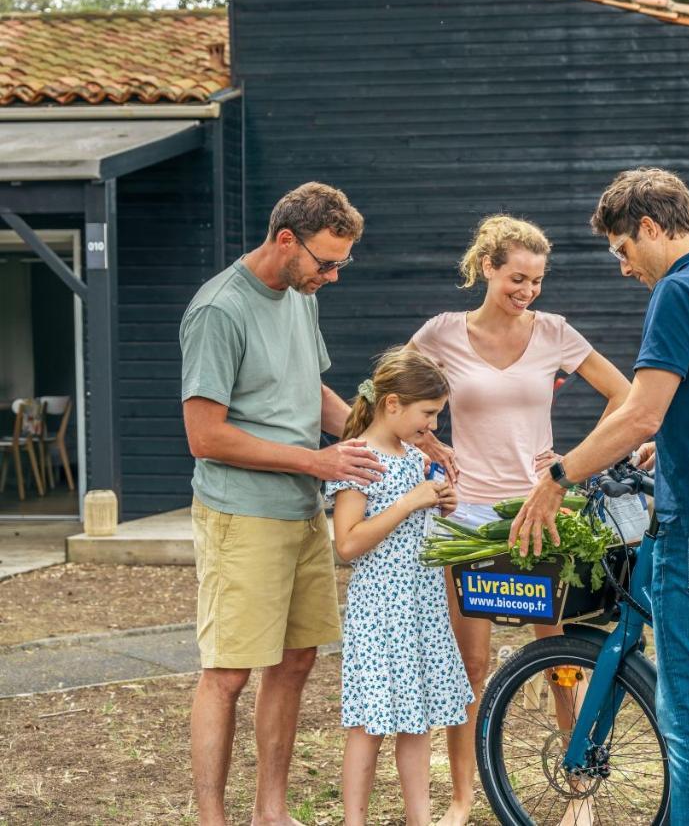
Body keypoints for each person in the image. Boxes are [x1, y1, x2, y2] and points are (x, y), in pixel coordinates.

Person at [510, 168, 689, 825]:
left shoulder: (680, 291)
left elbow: (639, 411)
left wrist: (558, 475)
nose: (623, 267)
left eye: (621, 249)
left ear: (648, 226)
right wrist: (678, 434)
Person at [408, 214, 631, 826]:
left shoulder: (556, 332)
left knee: (559, 657)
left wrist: (572, 462)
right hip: (467, 517)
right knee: (470, 666)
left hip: (540, 511)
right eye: (517, 277)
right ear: (488, 267)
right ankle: (461, 797)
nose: (527, 290)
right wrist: (428, 444)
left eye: (536, 280)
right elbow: (389, 392)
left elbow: (626, 395)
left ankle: (580, 792)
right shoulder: (442, 333)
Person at [180, 182, 384, 826]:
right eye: (326, 262)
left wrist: (388, 433)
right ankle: (213, 819)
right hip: (241, 516)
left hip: (300, 512)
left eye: (341, 264)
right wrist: (316, 461)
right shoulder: (220, 310)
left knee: (296, 661)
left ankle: (272, 811)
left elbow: (312, 394)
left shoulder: (300, 295)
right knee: (229, 673)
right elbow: (204, 435)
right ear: (286, 240)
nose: (332, 275)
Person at [327, 346, 473, 826]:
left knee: (419, 721)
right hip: (380, 613)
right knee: (370, 723)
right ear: (392, 404)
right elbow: (347, 544)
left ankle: (420, 819)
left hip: (422, 607)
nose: (432, 427)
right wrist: (410, 503)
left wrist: (440, 505)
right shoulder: (359, 459)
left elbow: (417, 523)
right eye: (427, 414)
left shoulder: (415, 457)